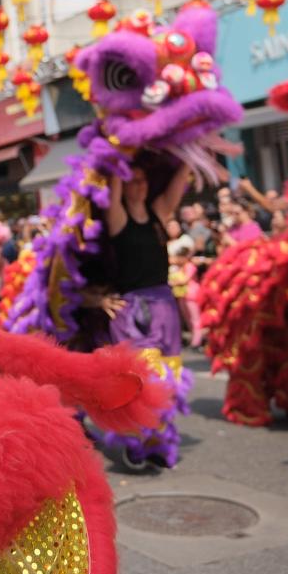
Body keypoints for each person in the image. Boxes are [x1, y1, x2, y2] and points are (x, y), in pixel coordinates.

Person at [99, 161, 193, 468]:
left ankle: (158, 440)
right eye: (133, 180)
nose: (139, 184)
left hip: (164, 305)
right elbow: (112, 192)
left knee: (169, 376)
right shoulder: (118, 216)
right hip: (132, 312)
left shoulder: (158, 212)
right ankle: (135, 442)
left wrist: (189, 149)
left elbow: (179, 178)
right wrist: (118, 153)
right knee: (140, 377)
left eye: (142, 179)